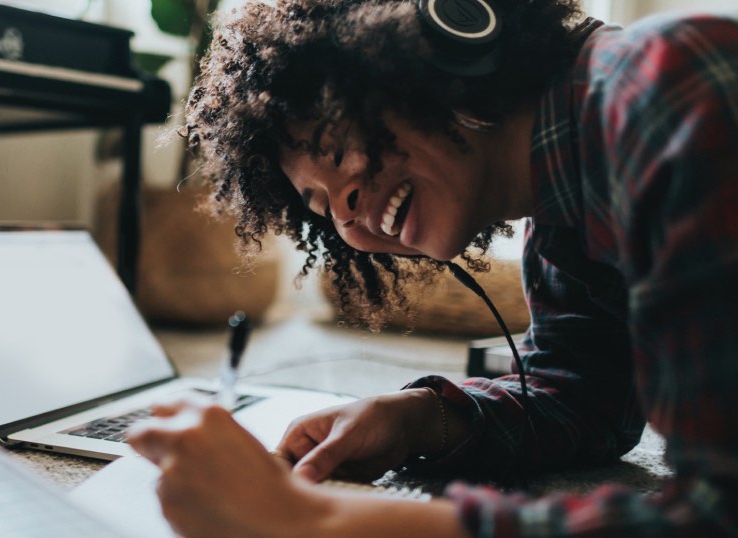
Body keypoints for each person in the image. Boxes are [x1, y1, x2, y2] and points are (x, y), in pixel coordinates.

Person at [126, 0, 738, 535]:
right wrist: (418, 420)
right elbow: (587, 401)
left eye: (340, 146)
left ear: (447, 44)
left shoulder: (663, 88)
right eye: (320, 207)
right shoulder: (561, 211)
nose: (346, 211)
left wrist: (314, 521)